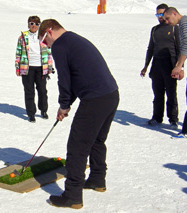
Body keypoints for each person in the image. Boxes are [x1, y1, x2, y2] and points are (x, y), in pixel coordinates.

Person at [38, 19, 119, 209]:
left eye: (44, 41)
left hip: (95, 99)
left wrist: (64, 105)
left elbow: (64, 80)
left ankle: (72, 195)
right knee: (97, 140)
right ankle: (98, 179)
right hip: (111, 94)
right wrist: (65, 106)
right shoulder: (73, 39)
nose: (46, 46)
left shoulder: (60, 45)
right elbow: (77, 77)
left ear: (49, 32)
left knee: (77, 146)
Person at [140, 3, 180, 128]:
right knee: (157, 93)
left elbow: (179, 48)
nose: (160, 17)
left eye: (162, 14)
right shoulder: (154, 30)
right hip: (157, 64)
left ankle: (173, 119)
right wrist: (146, 65)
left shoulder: (174, 29)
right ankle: (157, 117)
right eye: (157, 14)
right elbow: (150, 48)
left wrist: (179, 67)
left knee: (171, 93)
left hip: (170, 63)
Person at [15, 16, 54, 123]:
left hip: (41, 68)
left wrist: (49, 67)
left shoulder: (43, 36)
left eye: (37, 24)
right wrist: (18, 67)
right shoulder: (22, 37)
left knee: (42, 90)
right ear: (28, 24)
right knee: (29, 91)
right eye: (32, 23)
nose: (34, 26)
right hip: (27, 68)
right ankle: (31, 113)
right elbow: (18, 53)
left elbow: (49, 53)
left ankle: (43, 110)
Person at [163, 7, 187, 138]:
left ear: (174, 13)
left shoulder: (185, 22)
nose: (167, 22)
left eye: (168, 18)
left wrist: (179, 66)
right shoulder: (183, 23)